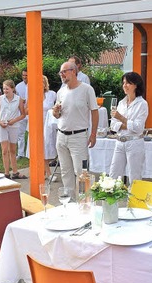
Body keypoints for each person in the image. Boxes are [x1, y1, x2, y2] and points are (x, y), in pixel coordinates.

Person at [52, 61, 99, 195]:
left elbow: (94, 112)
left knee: (81, 172)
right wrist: (55, 111)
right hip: (61, 135)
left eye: (64, 72)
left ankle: (84, 202)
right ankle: (69, 201)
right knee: (65, 171)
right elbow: (57, 115)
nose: (61, 75)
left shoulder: (86, 89)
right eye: (60, 72)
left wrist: (93, 134)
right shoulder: (61, 92)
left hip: (78, 136)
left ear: (73, 71)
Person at [109, 72, 148, 184]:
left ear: (136, 85)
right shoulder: (121, 103)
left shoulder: (142, 104)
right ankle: (112, 200)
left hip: (134, 142)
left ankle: (134, 200)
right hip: (119, 142)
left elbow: (138, 128)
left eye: (128, 83)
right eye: (123, 83)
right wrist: (126, 124)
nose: (124, 85)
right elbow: (113, 125)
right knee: (113, 174)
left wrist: (121, 118)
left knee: (134, 176)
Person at [0, 80, 26, 179]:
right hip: (2, 125)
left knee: (12, 149)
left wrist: (14, 120)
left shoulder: (19, 99)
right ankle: (7, 173)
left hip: (14, 126)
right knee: (4, 150)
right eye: (4, 88)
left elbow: (23, 114)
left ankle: (15, 172)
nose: (5, 90)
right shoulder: (0, 99)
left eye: (7, 88)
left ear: (12, 88)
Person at [42, 75, 58, 180]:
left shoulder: (52, 94)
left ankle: (43, 172)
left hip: (50, 124)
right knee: (43, 149)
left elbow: (58, 106)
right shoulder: (33, 94)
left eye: (42, 82)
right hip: (38, 123)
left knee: (49, 147)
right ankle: (48, 173)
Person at [16, 68, 29, 158]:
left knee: (31, 133)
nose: (24, 77)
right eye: (23, 75)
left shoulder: (34, 84)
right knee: (20, 133)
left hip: (30, 112)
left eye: (26, 75)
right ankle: (20, 153)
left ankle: (30, 152)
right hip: (21, 112)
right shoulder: (18, 86)